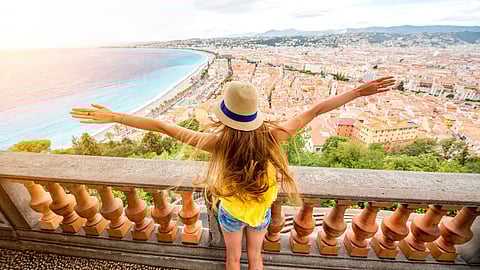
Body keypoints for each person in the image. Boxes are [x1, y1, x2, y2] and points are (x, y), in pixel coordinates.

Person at [71, 77, 395, 270]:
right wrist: (356, 93)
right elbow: (316, 110)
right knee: (256, 258)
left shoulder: (215, 144)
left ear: (225, 117)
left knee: (232, 258)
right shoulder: (273, 136)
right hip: (260, 213)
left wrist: (116, 117)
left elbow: (161, 126)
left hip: (229, 213)